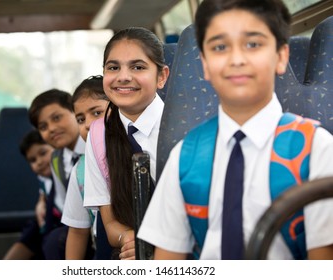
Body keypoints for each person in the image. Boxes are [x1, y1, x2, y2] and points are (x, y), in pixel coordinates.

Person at [138, 0, 333, 260]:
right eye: (220, 47)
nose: (237, 59)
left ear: (281, 57)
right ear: (205, 64)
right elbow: (169, 262)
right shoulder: (185, 156)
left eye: (253, 44)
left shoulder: (317, 149)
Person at [83, 27, 170, 260]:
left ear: (161, 77)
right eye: (113, 67)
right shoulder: (99, 134)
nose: (123, 76)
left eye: (138, 67)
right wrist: (129, 239)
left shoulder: (184, 126)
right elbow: (110, 223)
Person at [28, 88, 85, 259]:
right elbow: (64, 204)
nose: (51, 128)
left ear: (74, 112)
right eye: (43, 127)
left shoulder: (94, 146)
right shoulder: (56, 160)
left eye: (57, 118)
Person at [61, 75, 110, 259]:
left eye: (97, 113)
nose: (88, 125)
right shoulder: (80, 171)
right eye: (80, 119)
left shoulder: (141, 156)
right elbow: (78, 232)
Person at [4, 130, 54, 260]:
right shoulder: (44, 178)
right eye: (32, 160)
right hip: (41, 226)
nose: (39, 162)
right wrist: (41, 202)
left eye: (43, 153)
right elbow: (44, 192)